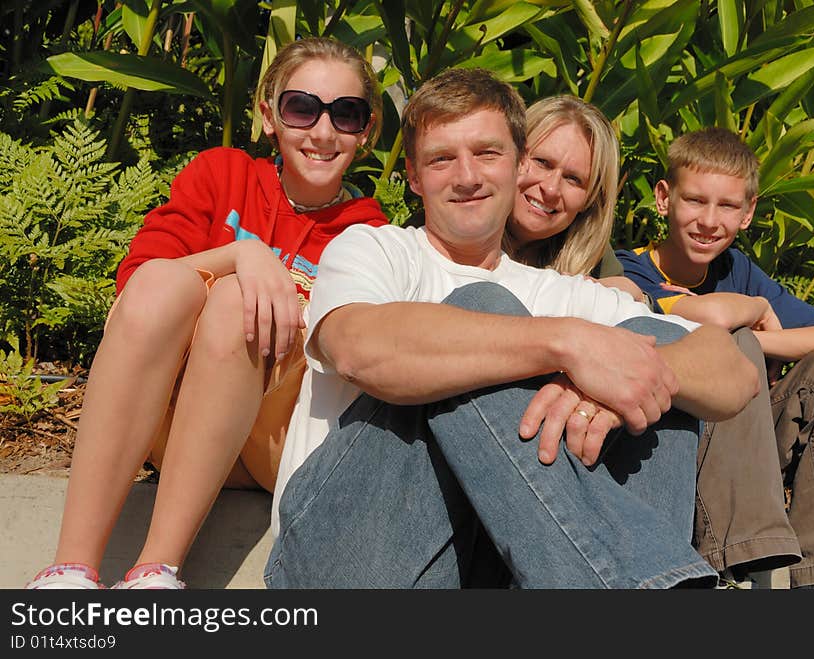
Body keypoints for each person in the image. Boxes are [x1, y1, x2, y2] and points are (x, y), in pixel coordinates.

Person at [265, 68, 759, 589]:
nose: (467, 176)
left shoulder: (561, 292)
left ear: (517, 162)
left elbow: (734, 374)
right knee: (484, 307)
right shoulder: (374, 249)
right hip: (340, 553)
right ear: (413, 176)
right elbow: (357, 349)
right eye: (441, 159)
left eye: (487, 153)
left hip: (481, 570)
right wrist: (565, 345)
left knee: (655, 369)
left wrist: (606, 394)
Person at [26, 37, 388, 590]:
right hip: (173, 424)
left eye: (346, 114)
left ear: (366, 132)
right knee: (171, 288)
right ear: (268, 116)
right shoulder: (222, 174)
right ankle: (70, 571)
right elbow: (137, 290)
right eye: (301, 108)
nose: (321, 131)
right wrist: (242, 253)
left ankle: (156, 570)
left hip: (275, 444)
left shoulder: (368, 232)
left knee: (232, 303)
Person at [616, 126, 814, 587]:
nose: (709, 221)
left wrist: (762, 341)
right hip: (675, 444)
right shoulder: (630, 267)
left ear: (747, 213)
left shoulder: (738, 269)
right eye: (695, 200)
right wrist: (753, 316)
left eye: (727, 206)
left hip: (751, 445)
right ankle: (737, 565)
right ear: (663, 198)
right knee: (731, 344)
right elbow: (713, 315)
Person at [504, 94, 642, 301]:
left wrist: (635, 297)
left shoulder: (594, 258)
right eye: (542, 162)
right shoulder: (453, 229)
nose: (551, 189)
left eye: (573, 179)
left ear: (591, 199)